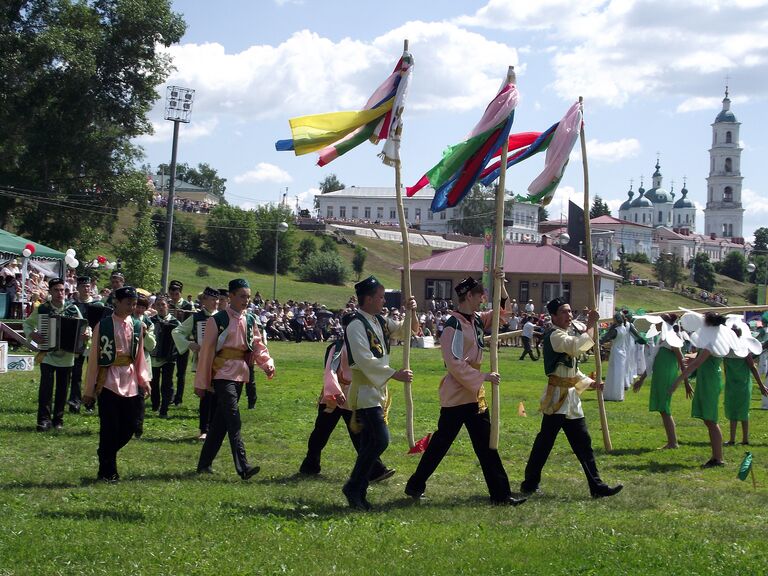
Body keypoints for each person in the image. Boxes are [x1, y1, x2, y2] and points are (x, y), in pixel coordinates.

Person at [405, 272, 526, 506]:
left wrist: (501, 286)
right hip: (457, 395)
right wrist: (483, 377)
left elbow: (503, 313)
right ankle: (415, 484)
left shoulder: (477, 319)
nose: (483, 299)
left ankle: (501, 495)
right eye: (480, 295)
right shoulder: (454, 324)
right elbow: (454, 362)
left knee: (487, 446)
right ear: (469, 295)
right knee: (440, 445)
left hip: (474, 395)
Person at [520, 298, 623, 499]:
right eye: (563, 312)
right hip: (557, 398)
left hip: (572, 400)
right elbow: (577, 347)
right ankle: (529, 483)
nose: (568, 315)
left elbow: (571, 369)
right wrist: (592, 324)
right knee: (545, 443)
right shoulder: (555, 336)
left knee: (583, 443)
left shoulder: (564, 334)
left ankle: (597, 486)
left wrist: (590, 383)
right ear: (554, 316)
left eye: (569, 311)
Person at [341, 275, 417, 510]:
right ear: (369, 299)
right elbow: (364, 360)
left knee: (369, 444)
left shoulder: (379, 321)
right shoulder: (356, 324)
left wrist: (410, 312)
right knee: (380, 440)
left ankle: (357, 490)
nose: (384, 301)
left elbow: (405, 331)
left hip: (377, 392)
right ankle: (354, 485)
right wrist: (394, 373)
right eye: (381, 297)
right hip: (364, 391)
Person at [194, 278, 274, 479]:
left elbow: (257, 345)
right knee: (233, 419)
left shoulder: (250, 319)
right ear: (230, 296)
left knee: (220, 423)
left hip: (240, 374)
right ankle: (243, 466)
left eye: (248, 296)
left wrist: (266, 363)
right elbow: (206, 353)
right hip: (222, 374)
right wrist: (202, 383)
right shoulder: (218, 320)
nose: (246, 300)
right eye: (242, 296)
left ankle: (204, 464)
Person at [299, 314, 394, 482]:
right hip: (335, 397)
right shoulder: (337, 347)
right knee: (321, 432)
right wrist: (335, 391)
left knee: (359, 433)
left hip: (354, 396)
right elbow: (330, 371)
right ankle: (310, 465)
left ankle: (375, 470)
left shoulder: (363, 347)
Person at [82, 286, 151, 481]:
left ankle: (105, 452)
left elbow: (139, 356)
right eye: (128, 303)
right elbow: (94, 358)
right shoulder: (103, 326)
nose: (132, 307)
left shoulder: (137, 326)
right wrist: (90, 389)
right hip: (108, 379)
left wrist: (143, 379)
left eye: (134, 303)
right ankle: (108, 471)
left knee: (130, 425)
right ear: (117, 302)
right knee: (109, 427)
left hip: (129, 379)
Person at [671, 312, 740, 468]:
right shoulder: (712, 339)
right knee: (708, 420)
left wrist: (678, 381)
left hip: (710, 381)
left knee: (711, 420)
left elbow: (698, 363)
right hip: (707, 379)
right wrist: (693, 356)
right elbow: (702, 356)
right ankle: (716, 457)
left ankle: (718, 458)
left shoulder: (712, 341)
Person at [23, 277, 85, 431]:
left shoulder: (72, 309)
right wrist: (32, 335)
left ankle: (58, 419)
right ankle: (43, 420)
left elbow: (84, 326)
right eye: (56, 290)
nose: (60, 293)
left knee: (63, 389)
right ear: (50, 291)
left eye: (62, 290)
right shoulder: (43, 309)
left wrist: (86, 335)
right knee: (46, 389)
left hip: (67, 356)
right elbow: (27, 324)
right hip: (48, 354)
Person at [632, 314, 688, 449]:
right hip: (660, 375)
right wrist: (642, 379)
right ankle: (672, 441)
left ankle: (673, 442)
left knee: (664, 408)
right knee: (663, 409)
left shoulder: (671, 338)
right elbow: (653, 361)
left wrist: (686, 382)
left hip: (667, 375)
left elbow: (681, 360)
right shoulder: (662, 338)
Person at [173, 287, 219, 440]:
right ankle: (204, 429)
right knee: (205, 394)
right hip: (203, 361)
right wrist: (189, 344)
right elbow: (177, 331)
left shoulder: (222, 316)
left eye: (216, 300)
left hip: (220, 360)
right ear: (204, 301)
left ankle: (214, 428)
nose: (215, 302)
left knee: (217, 394)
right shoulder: (197, 318)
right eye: (212, 299)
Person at [722, 319, 767, 446]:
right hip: (740, 384)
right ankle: (743, 439)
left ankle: (733, 439)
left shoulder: (728, 349)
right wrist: (761, 385)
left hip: (734, 384)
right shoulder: (740, 349)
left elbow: (726, 368)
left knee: (733, 411)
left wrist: (761, 385)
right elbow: (752, 367)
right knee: (741, 410)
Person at [601, 312, 645, 401]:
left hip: (616, 352)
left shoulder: (616, 330)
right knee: (619, 374)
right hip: (623, 352)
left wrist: (599, 341)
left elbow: (607, 337)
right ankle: (618, 394)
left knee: (613, 373)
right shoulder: (625, 328)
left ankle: (612, 394)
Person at [149, 295, 181, 418]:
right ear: (155, 306)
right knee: (154, 382)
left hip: (169, 358)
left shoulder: (175, 322)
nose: (161, 307)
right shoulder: (152, 320)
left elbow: (179, 338)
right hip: (154, 356)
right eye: (158, 305)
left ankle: (164, 409)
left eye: (163, 304)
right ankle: (155, 404)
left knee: (167, 383)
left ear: (168, 305)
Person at [132, 292, 156, 438]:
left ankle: (138, 427)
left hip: (143, 364)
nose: (139, 310)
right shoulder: (127, 319)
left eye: (142, 307)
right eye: (137, 306)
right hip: (127, 363)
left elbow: (151, 346)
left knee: (140, 397)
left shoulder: (149, 322)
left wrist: (146, 333)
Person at [167, 280, 194, 406]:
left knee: (181, 372)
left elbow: (192, 321)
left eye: (176, 294)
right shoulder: (167, 305)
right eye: (172, 294)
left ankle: (179, 398)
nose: (174, 296)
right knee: (169, 369)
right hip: (169, 341)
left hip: (183, 340)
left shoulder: (188, 306)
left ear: (180, 293)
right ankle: (171, 395)